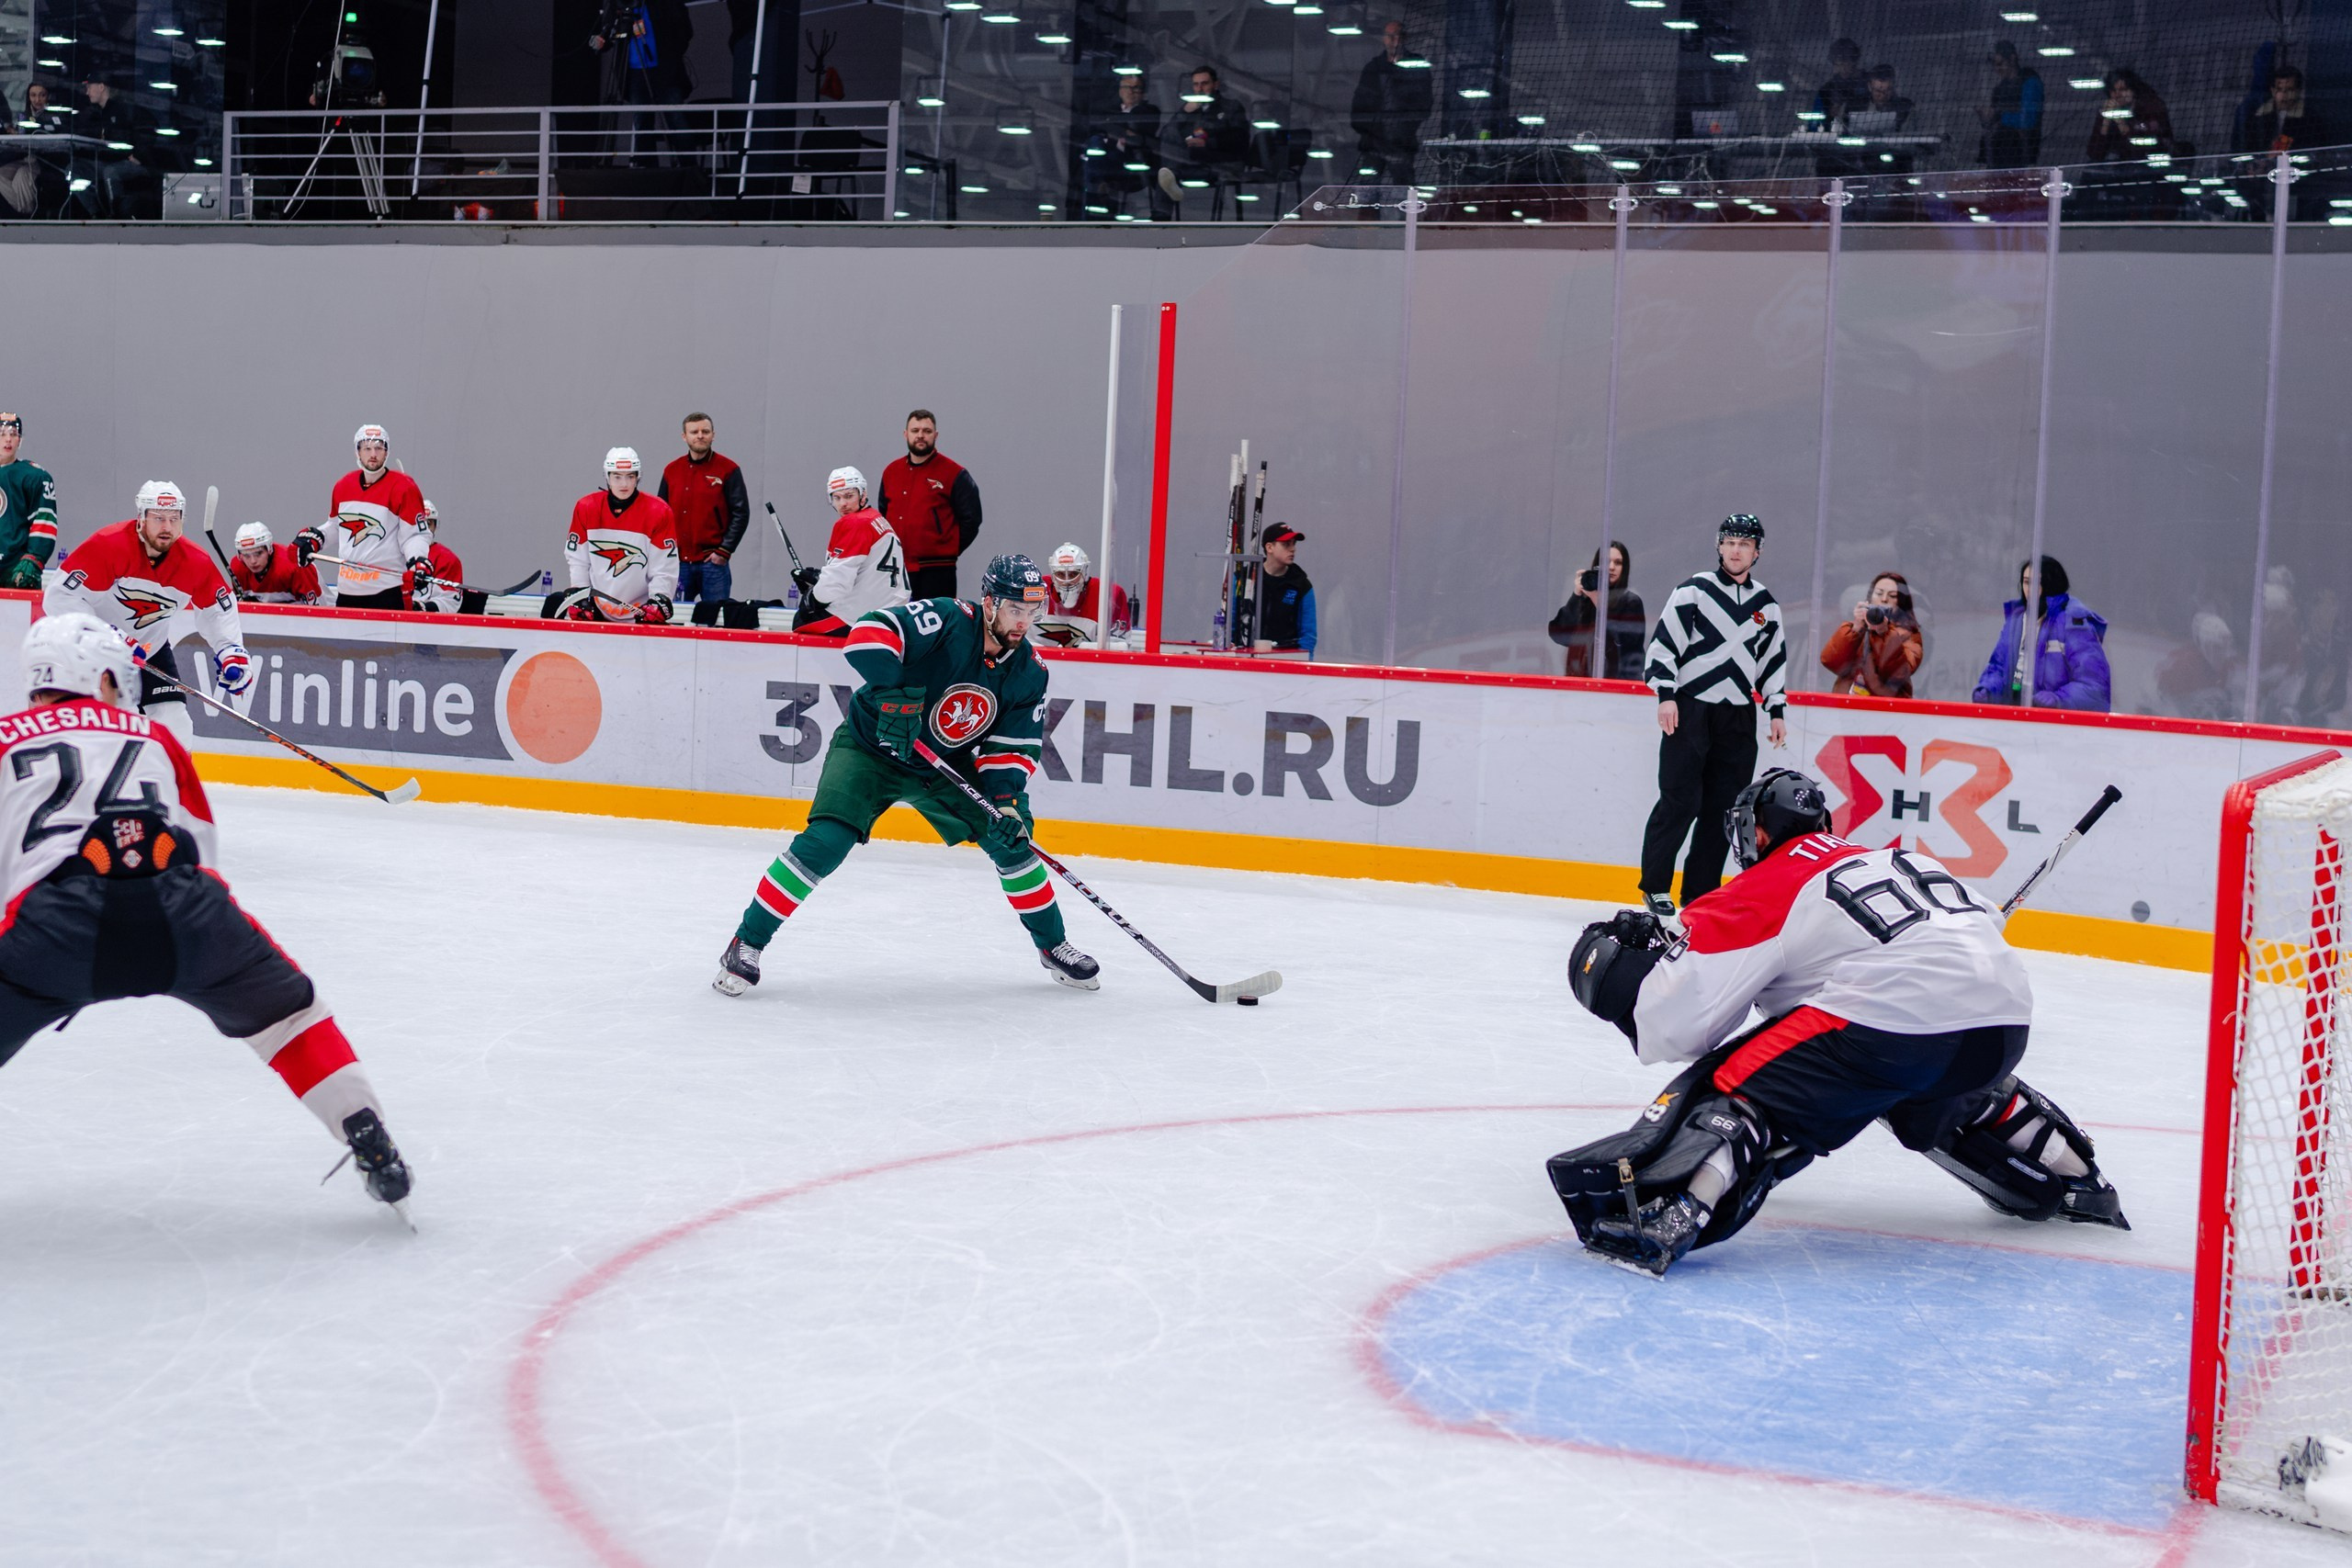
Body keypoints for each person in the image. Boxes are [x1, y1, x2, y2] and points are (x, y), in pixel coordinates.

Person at [1551, 769, 2126, 1279]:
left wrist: (1615, 978)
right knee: (1916, 1079)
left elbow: (1676, 1028)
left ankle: (1675, 1210)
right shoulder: (1899, 858)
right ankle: (2077, 1176)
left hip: (1893, 1023)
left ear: (1756, 832)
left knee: (1734, 1080)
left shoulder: (1764, 883)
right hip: (2002, 1025)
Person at [0, 615, 413, 1221]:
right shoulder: (156, 737)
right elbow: (205, 853)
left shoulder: (7, 736)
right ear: (100, 677)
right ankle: (364, 1125)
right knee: (290, 1017)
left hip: (54, 924)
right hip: (183, 907)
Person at [712, 554, 1100, 996]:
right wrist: (893, 693)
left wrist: (1007, 803)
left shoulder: (1030, 670)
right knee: (826, 842)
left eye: (1033, 613)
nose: (1023, 623)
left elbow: (1011, 747)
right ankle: (747, 942)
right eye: (1015, 610)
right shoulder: (950, 619)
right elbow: (870, 631)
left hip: (944, 764)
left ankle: (1054, 945)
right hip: (870, 748)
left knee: (1013, 842)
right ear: (990, 602)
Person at [1638, 513, 1786, 919]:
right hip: (1690, 709)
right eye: (1730, 542)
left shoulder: (1766, 606)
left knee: (1724, 808)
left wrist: (1775, 709)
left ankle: (1699, 892)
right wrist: (1665, 695)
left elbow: (1771, 663)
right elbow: (1663, 646)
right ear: (1719, 546)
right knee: (1679, 800)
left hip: (1737, 716)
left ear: (1757, 552)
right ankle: (1655, 885)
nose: (1736, 550)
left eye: (1745, 543)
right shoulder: (1693, 591)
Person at [45, 480, 251, 743]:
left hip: (150, 651)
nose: (167, 527)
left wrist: (230, 650)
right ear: (140, 518)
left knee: (175, 725)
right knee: (121, 726)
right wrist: (109, 639)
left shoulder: (194, 562)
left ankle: (173, 784)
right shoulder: (108, 545)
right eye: (158, 518)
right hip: (97, 656)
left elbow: (218, 609)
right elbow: (60, 597)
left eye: (174, 519)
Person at [297, 423, 431, 610]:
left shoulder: (404, 487)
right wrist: (315, 539)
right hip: (347, 590)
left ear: (387, 452)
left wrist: (418, 561)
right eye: (367, 448)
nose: (373, 454)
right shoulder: (344, 485)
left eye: (379, 448)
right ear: (357, 452)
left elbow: (414, 535)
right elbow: (336, 527)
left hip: (386, 589)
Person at [1972, 556, 2109, 712]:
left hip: (2058, 729)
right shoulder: (2016, 622)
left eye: (2036, 583)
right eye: (2026, 582)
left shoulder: (2073, 624)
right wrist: (1989, 689)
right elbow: (1999, 667)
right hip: (2015, 722)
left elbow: (2095, 687)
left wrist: (2059, 699)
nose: (2029, 589)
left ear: (2051, 584)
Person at [559, 447, 680, 623]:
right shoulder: (586, 508)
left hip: (641, 612)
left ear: (638, 477)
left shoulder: (658, 512)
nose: (624, 484)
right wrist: (580, 593)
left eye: (630, 476)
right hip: (597, 608)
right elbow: (578, 560)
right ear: (607, 476)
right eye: (617, 476)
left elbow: (663, 568)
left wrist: (659, 598)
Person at [877, 410, 982, 601]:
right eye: (915, 430)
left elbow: (972, 519)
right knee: (899, 625)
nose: (920, 436)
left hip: (938, 571)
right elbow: (883, 515)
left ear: (935, 435)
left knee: (936, 627)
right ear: (905, 434)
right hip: (897, 568)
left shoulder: (953, 473)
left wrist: (947, 547)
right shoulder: (891, 472)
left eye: (926, 431)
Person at [794, 466, 909, 637]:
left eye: (849, 496)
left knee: (801, 622)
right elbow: (862, 570)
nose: (843, 504)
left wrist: (812, 598)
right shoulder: (877, 519)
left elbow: (836, 583)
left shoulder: (854, 523)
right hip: (893, 613)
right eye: (837, 498)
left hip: (862, 617)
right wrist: (820, 578)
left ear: (863, 495)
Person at [658, 412, 749, 604]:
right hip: (679, 564)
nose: (700, 435)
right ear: (684, 436)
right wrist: (665, 554)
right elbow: (660, 514)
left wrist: (724, 551)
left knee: (716, 622)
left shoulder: (728, 469)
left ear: (713, 435)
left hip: (713, 563)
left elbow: (741, 513)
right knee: (676, 622)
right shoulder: (671, 471)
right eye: (694, 432)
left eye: (705, 431)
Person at [1351, 22, 1434, 186]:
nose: (1394, 40)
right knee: (1367, 192)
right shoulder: (1373, 68)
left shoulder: (1416, 65)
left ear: (1404, 38)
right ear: (1384, 39)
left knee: (1403, 190)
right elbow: (1359, 105)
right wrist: (1368, 131)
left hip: (1401, 143)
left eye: (1397, 36)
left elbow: (1424, 104)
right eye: (1390, 36)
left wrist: (1405, 127)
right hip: (1374, 144)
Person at [1547, 540, 1645, 681]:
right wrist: (1576, 595)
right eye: (1606, 562)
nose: (1611, 567)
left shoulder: (1631, 602)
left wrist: (1599, 602)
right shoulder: (1585, 599)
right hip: (1583, 683)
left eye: (1618, 563)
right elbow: (1559, 635)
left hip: (1620, 684)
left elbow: (1627, 644)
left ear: (1625, 568)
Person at [1158, 64, 1250, 208]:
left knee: (1169, 174)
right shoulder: (1190, 109)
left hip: (1221, 162)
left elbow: (1240, 138)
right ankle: (1160, 217)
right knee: (1165, 174)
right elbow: (1166, 136)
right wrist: (1184, 113)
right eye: (1196, 84)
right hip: (1193, 161)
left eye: (1204, 83)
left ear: (1216, 84)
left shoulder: (1231, 106)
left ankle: (1172, 178)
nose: (1200, 89)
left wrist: (1208, 143)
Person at [1819, 570, 1922, 698]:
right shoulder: (1858, 628)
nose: (1884, 599)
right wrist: (1855, 629)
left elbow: (1898, 674)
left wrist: (1884, 632)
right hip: (1847, 708)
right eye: (1879, 593)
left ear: (1901, 602)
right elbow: (1831, 662)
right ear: (1870, 598)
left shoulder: (1909, 634)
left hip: (1886, 711)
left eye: (1893, 596)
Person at [1088, 75, 1170, 220]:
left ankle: (1101, 194)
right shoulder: (1109, 110)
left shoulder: (1150, 110)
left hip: (1135, 162)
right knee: (1094, 143)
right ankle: (1095, 201)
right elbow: (1098, 127)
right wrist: (1124, 130)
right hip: (1109, 159)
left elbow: (1140, 130)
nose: (1131, 91)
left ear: (1143, 92)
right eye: (1127, 87)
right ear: (1120, 91)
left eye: (1136, 88)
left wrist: (1114, 128)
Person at [74, 78, 159, 219]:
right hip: (104, 162)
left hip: (129, 163)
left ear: (101, 87)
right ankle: (96, 214)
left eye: (90, 87)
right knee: (74, 170)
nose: (87, 92)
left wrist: (139, 155)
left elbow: (149, 130)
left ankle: (117, 215)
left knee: (111, 172)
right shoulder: (93, 113)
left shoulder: (126, 109)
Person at [0, 412, 59, 589]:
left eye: (13, 434)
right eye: (2, 434)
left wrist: (34, 559)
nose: (8, 440)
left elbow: (44, 522)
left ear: (20, 440)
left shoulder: (35, 477)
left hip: (15, 571)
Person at [1034, 542, 1131, 648]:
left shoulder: (1108, 594)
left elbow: (1120, 646)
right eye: (1060, 574)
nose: (1067, 581)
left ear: (1085, 572)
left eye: (1073, 574)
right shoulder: (1038, 591)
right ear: (1053, 574)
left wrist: (1080, 648)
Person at [1251, 524, 1316, 656]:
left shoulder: (1302, 585)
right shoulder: (1246, 579)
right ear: (1269, 547)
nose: (1293, 549)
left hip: (1285, 660)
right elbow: (1230, 623)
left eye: (1294, 544)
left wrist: (1303, 664)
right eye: (1286, 544)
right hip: (1246, 659)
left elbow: (1308, 635)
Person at [1976, 41, 2043, 168]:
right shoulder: (1999, 89)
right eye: (1994, 65)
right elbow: (1991, 125)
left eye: (2000, 64)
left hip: (2020, 156)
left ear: (2012, 59)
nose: (1997, 69)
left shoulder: (2029, 82)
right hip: (1997, 156)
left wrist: (1999, 115)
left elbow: (2028, 121)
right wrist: (1987, 117)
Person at [2087, 70, 2174, 161]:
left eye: (2123, 90)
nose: (2117, 95)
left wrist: (2121, 121)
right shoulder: (2108, 110)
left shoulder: (2152, 106)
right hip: (2119, 167)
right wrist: (2105, 121)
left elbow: (2140, 147)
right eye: (2113, 90)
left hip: (2152, 164)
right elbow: (2094, 154)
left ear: (2133, 90)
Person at [229, 522, 322, 604]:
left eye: (259, 553)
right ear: (240, 555)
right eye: (246, 555)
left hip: (310, 603)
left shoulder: (293, 565)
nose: (253, 561)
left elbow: (318, 610)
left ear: (269, 549)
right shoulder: (237, 568)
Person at [405, 501, 465, 613]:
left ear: (435, 526)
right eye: (419, 524)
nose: (424, 530)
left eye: (428, 524)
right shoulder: (392, 555)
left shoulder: (448, 559)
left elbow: (449, 601)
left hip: (427, 625)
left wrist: (422, 607)